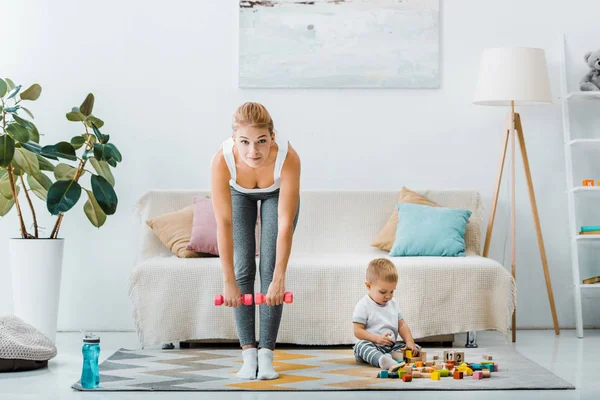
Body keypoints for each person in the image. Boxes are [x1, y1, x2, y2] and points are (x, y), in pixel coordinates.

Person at [210, 102, 301, 380]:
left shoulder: (289, 158)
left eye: (261, 141)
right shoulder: (221, 161)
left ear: (272, 137)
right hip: (239, 195)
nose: (253, 151)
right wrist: (228, 282)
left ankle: (267, 356)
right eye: (245, 142)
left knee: (270, 268)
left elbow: (284, 224)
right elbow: (223, 223)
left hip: (276, 195)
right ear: (234, 140)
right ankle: (249, 356)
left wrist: (279, 279)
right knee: (242, 270)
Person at [352, 258, 420, 370]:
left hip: (390, 346)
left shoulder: (393, 303)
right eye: (383, 292)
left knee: (414, 347)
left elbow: (401, 325)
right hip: (372, 345)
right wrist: (377, 339)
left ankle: (389, 359)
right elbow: (357, 331)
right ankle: (381, 360)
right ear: (368, 286)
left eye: (392, 291)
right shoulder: (363, 305)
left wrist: (409, 341)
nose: (388, 296)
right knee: (360, 346)